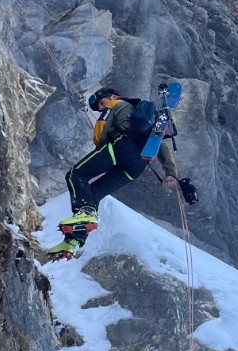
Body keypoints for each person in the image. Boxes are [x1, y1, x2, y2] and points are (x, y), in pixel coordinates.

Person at [42, 85, 198, 259]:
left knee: (75, 175)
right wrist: (170, 172)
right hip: (136, 167)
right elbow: (159, 143)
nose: (101, 107)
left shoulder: (115, 104)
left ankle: (84, 215)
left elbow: (100, 134)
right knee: (93, 193)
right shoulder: (141, 119)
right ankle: (75, 239)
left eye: (102, 103)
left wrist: (100, 148)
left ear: (113, 96)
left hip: (120, 147)